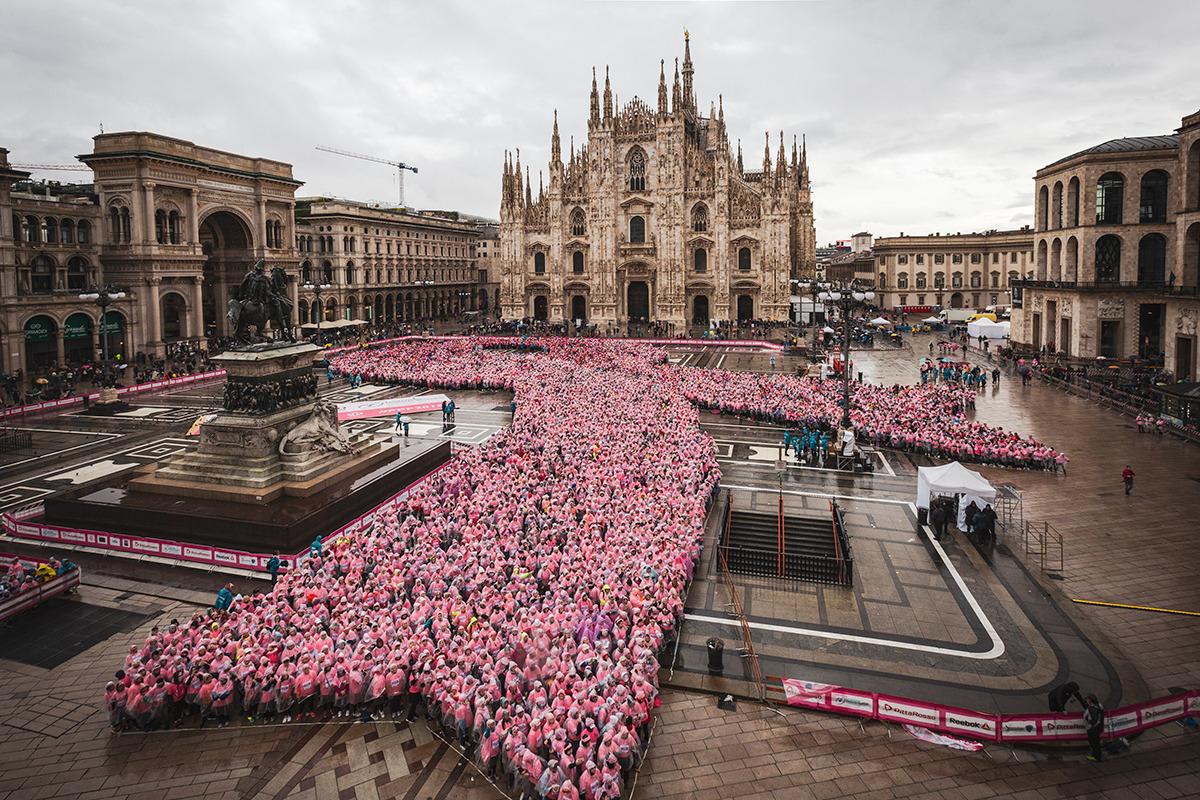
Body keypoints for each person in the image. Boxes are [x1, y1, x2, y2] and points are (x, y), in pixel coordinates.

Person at [1084, 694, 1105, 762]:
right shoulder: (1099, 705)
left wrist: (1088, 722)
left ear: (1090, 701)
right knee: (1097, 742)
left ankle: (1096, 757)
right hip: (1099, 727)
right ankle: (1097, 755)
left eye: (1087, 700)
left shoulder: (1091, 709)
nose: (1086, 701)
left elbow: (1094, 720)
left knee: (1094, 743)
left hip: (1092, 729)